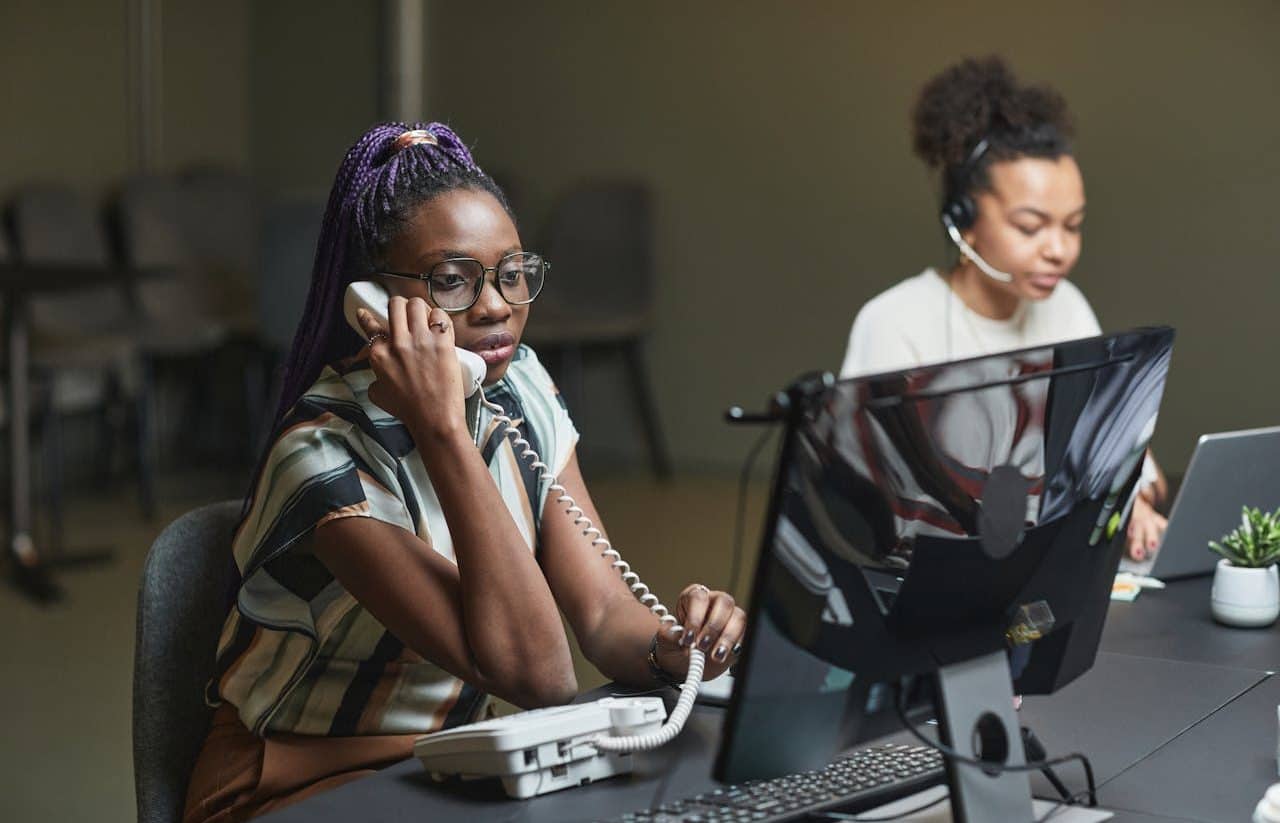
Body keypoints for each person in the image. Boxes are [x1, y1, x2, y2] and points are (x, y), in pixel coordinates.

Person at [183, 122, 745, 823]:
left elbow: (601, 612)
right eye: (454, 281)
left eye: (512, 273)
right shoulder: (322, 457)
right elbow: (539, 674)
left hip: (453, 763)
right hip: (295, 782)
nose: (497, 305)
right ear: (373, 301)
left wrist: (679, 649)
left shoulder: (521, 388)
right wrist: (443, 426)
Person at [838, 56, 1168, 562]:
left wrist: (1134, 502)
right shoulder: (895, 323)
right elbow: (869, 503)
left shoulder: (1067, 308)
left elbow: (1117, 451)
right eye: (1031, 227)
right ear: (963, 219)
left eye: (1073, 225)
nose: (1059, 250)